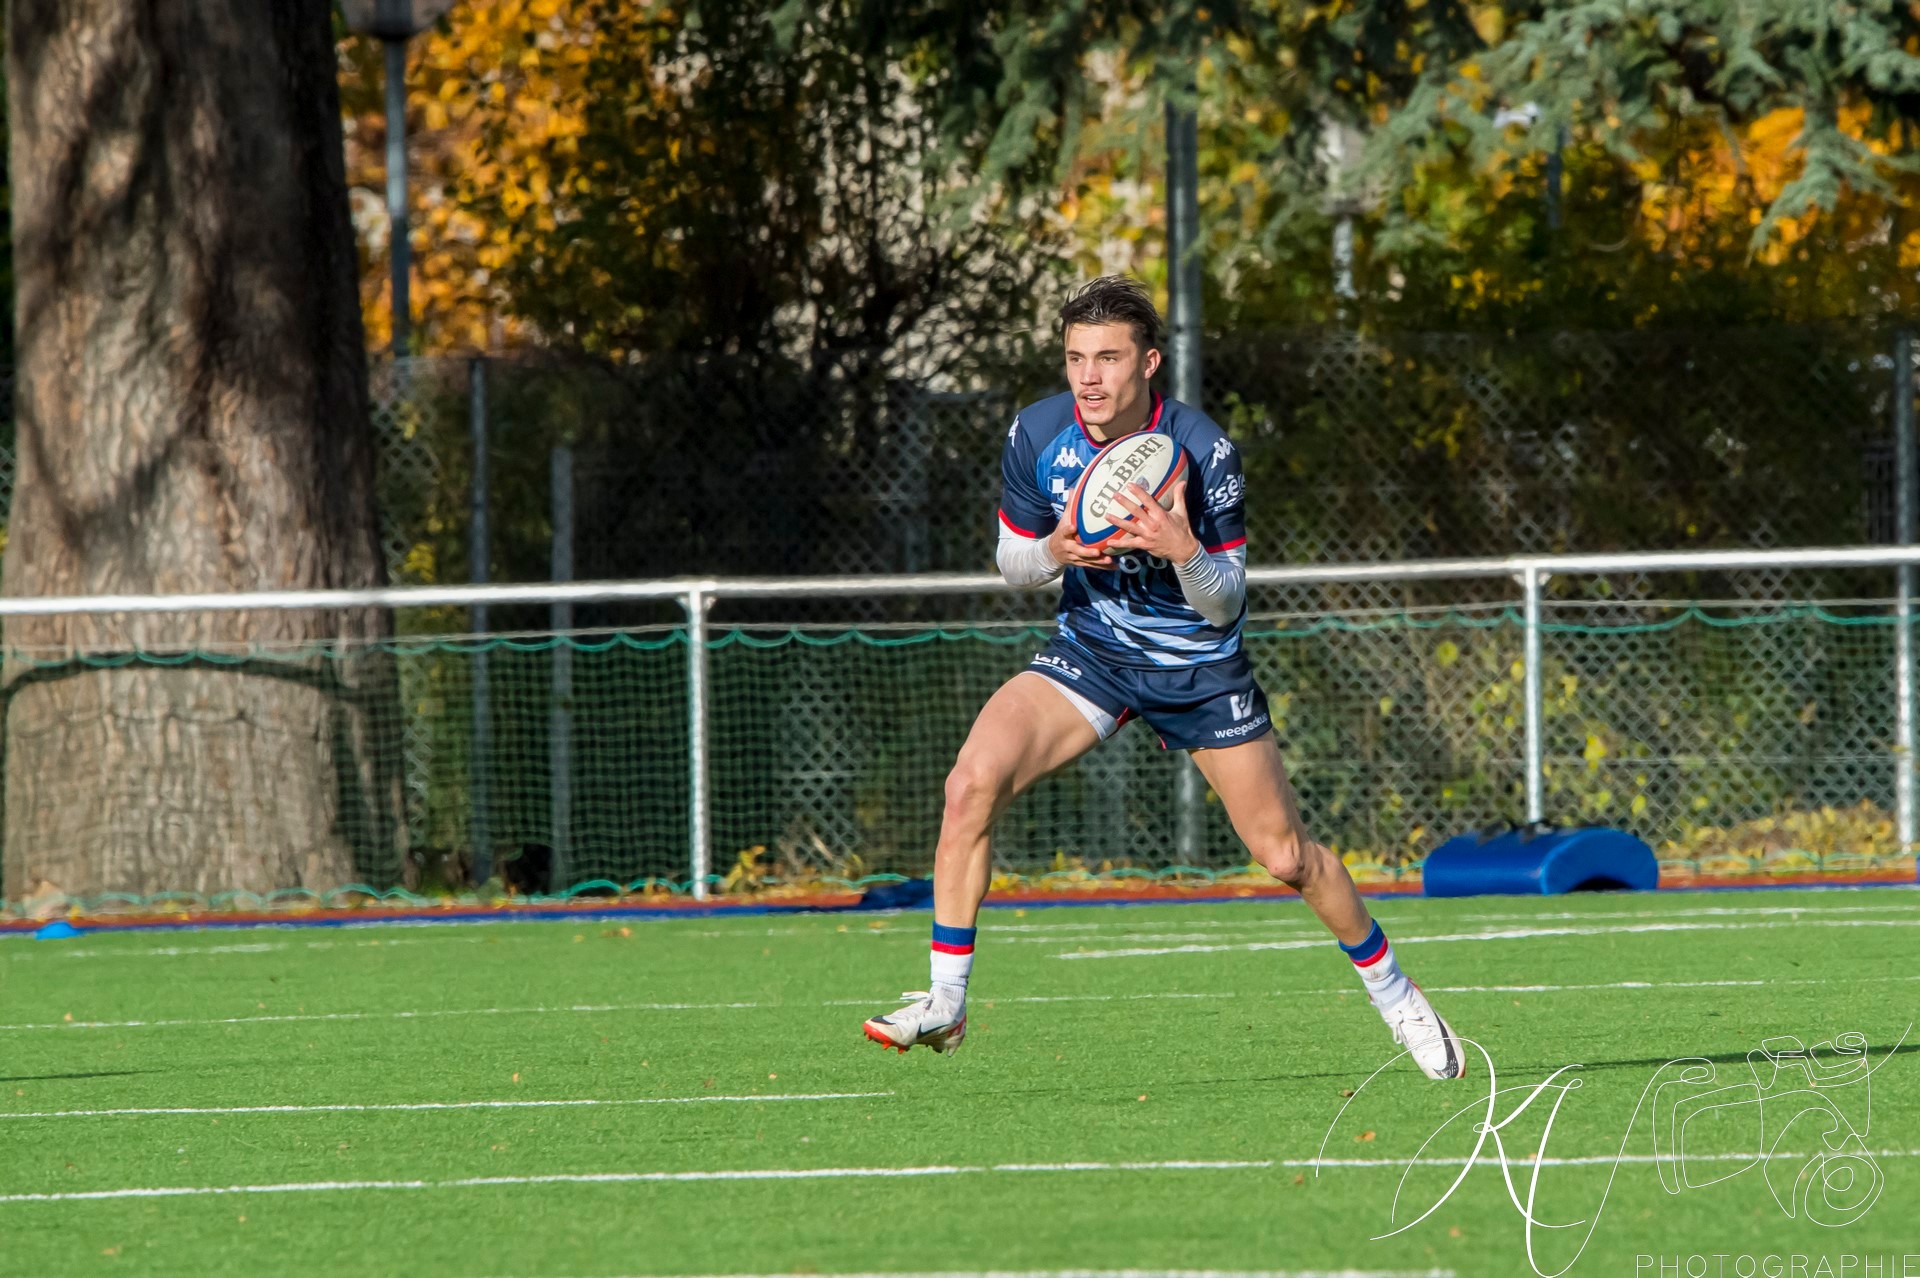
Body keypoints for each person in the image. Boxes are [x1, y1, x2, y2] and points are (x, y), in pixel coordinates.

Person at [862, 276, 1464, 1080]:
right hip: (1092, 654)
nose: (1088, 378)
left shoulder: (1203, 449)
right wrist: (1057, 552)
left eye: (1107, 358)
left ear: (1148, 362)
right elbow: (1013, 560)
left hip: (1197, 669)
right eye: (1076, 358)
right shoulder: (1037, 432)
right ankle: (946, 999)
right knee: (970, 784)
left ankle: (1396, 995)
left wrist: (1182, 549)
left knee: (1287, 856)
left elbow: (1223, 605)